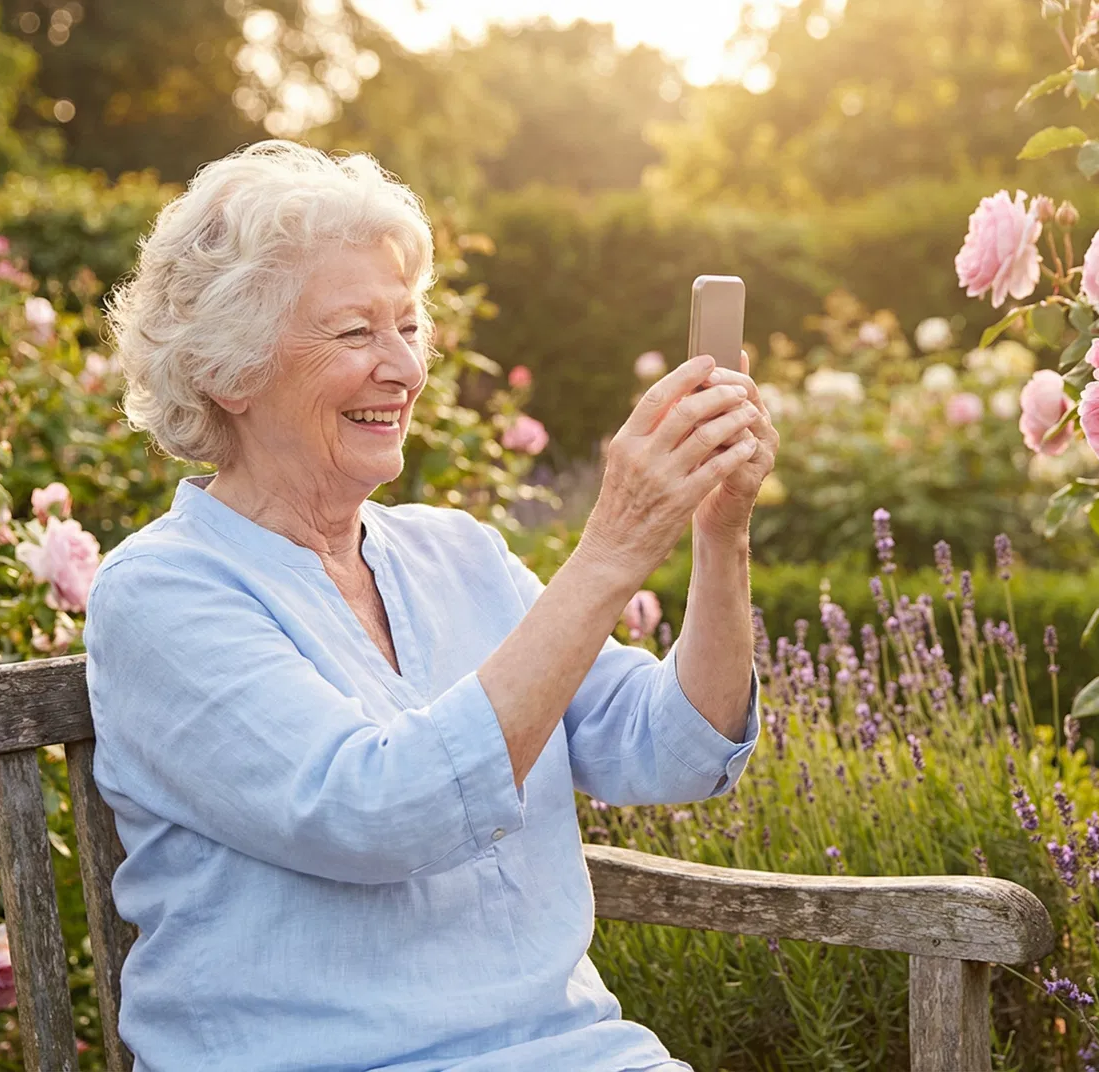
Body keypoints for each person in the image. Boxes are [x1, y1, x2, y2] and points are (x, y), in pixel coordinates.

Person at [84, 140, 779, 1072]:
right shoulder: (162, 595)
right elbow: (377, 812)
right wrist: (610, 552)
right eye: (355, 332)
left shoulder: (457, 555)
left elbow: (676, 750)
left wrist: (718, 531)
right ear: (229, 369)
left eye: (408, 327)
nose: (404, 369)